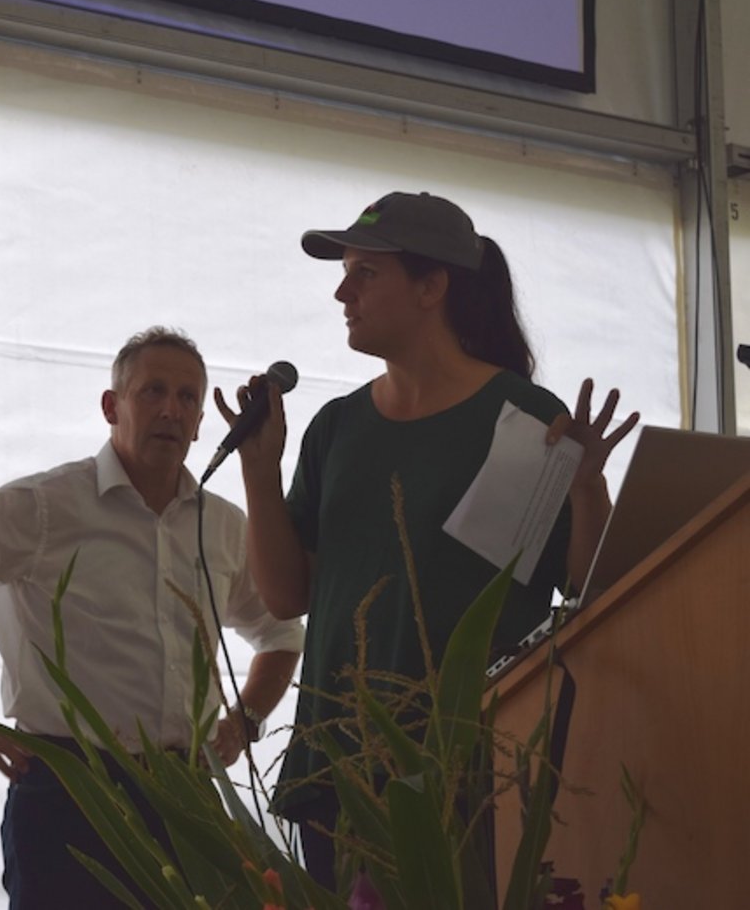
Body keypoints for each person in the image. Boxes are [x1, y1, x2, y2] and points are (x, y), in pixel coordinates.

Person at [222, 191, 639, 888]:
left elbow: (587, 589)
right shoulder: (336, 426)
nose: (342, 293)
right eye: (344, 274)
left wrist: (589, 488)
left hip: (471, 774)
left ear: (431, 286)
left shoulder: (522, 417)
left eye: (365, 273)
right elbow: (286, 596)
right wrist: (259, 474)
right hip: (338, 765)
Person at [0, 326, 304, 909]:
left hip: (186, 796)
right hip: (68, 795)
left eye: (187, 398)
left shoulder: (223, 526)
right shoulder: (43, 507)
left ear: (201, 423)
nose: (171, 410)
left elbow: (281, 632)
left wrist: (247, 718)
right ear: (111, 406)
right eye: (153, 391)